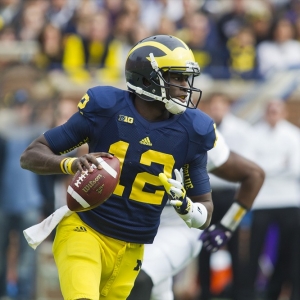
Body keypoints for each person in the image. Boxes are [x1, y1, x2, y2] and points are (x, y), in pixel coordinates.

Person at [20, 35, 217, 300]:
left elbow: (205, 212)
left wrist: (187, 208)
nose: (185, 87)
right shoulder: (106, 109)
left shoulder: (193, 131)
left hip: (132, 249)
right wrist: (70, 164)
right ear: (147, 79)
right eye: (177, 78)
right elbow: (32, 154)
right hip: (84, 230)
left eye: (186, 79)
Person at [127, 130, 265, 300]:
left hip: (176, 227)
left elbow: (254, 175)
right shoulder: (122, 116)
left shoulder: (196, 130)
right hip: (129, 226)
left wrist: (227, 226)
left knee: (138, 278)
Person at [245, 99, 300, 300]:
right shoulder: (253, 135)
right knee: (254, 251)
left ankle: (290, 292)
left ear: (284, 113)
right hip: (262, 201)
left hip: (289, 201)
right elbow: (251, 168)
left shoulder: (294, 134)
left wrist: (265, 168)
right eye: (270, 110)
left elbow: (295, 168)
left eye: (277, 111)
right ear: (264, 112)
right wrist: (280, 165)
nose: (273, 114)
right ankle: (248, 293)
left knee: (291, 252)